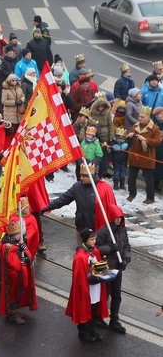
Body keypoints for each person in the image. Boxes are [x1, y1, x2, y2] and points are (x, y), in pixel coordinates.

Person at [66, 229, 110, 343]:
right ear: (86, 239)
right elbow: (80, 276)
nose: (94, 241)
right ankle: (83, 332)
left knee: (93, 310)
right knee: (84, 310)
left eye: (95, 239)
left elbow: (99, 266)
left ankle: (92, 330)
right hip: (86, 288)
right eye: (91, 239)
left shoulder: (94, 251)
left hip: (95, 287)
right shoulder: (80, 256)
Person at [95, 205, 131, 334]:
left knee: (116, 295)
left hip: (117, 267)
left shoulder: (122, 230)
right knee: (104, 294)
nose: (118, 220)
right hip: (105, 267)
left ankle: (114, 320)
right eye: (116, 218)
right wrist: (110, 248)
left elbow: (126, 246)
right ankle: (97, 316)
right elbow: (96, 248)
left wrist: (126, 260)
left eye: (120, 218)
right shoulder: (103, 231)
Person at [0, 220, 37, 325]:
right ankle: (13, 314)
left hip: (20, 273)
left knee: (20, 293)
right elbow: (12, 262)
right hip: (14, 275)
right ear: (13, 235)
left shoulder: (18, 243)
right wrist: (21, 260)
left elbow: (28, 255)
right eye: (18, 234)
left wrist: (25, 254)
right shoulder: (7, 246)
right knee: (14, 294)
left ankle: (14, 311)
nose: (20, 236)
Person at [126, 106, 162, 204]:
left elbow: (158, 141)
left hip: (147, 157)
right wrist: (129, 136)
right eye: (139, 117)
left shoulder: (154, 128)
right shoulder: (135, 126)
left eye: (142, 117)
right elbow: (129, 139)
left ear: (148, 118)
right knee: (131, 178)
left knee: (149, 180)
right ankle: (132, 194)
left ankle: (150, 198)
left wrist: (146, 140)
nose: (140, 119)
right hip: (135, 156)